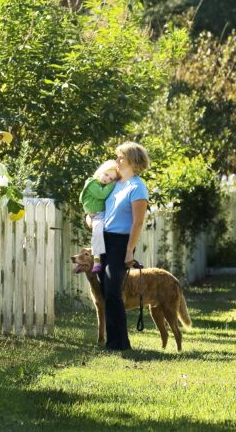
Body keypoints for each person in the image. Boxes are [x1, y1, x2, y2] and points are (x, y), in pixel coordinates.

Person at [100, 141, 150, 351]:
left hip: (121, 243)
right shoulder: (116, 183)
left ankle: (119, 343)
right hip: (104, 240)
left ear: (133, 161)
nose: (117, 161)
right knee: (106, 291)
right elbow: (100, 206)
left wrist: (129, 249)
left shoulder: (138, 187)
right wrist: (90, 217)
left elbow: (137, 222)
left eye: (121, 157)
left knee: (112, 290)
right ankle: (116, 342)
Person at [80, 160, 119, 274]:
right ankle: (96, 260)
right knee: (97, 231)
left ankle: (101, 256)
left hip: (103, 214)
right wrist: (113, 183)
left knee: (101, 232)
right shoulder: (92, 183)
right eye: (106, 175)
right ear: (100, 171)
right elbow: (101, 195)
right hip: (96, 215)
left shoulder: (103, 185)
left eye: (111, 179)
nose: (107, 179)